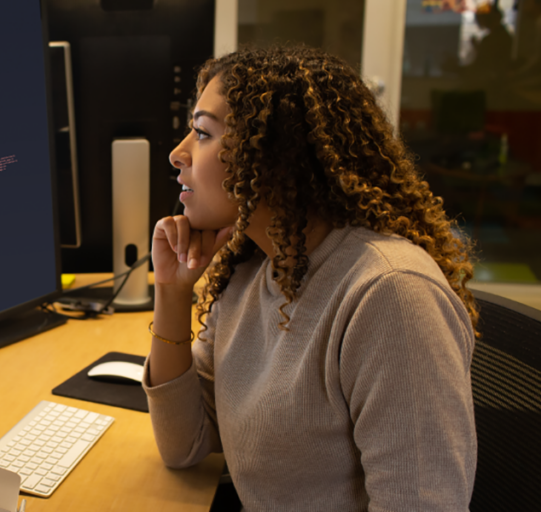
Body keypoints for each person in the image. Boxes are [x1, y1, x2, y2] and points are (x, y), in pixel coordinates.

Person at [143, 45, 479, 511]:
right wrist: (173, 291)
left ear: (274, 156)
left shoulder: (391, 296)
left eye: (202, 133)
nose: (178, 154)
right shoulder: (255, 268)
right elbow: (184, 445)